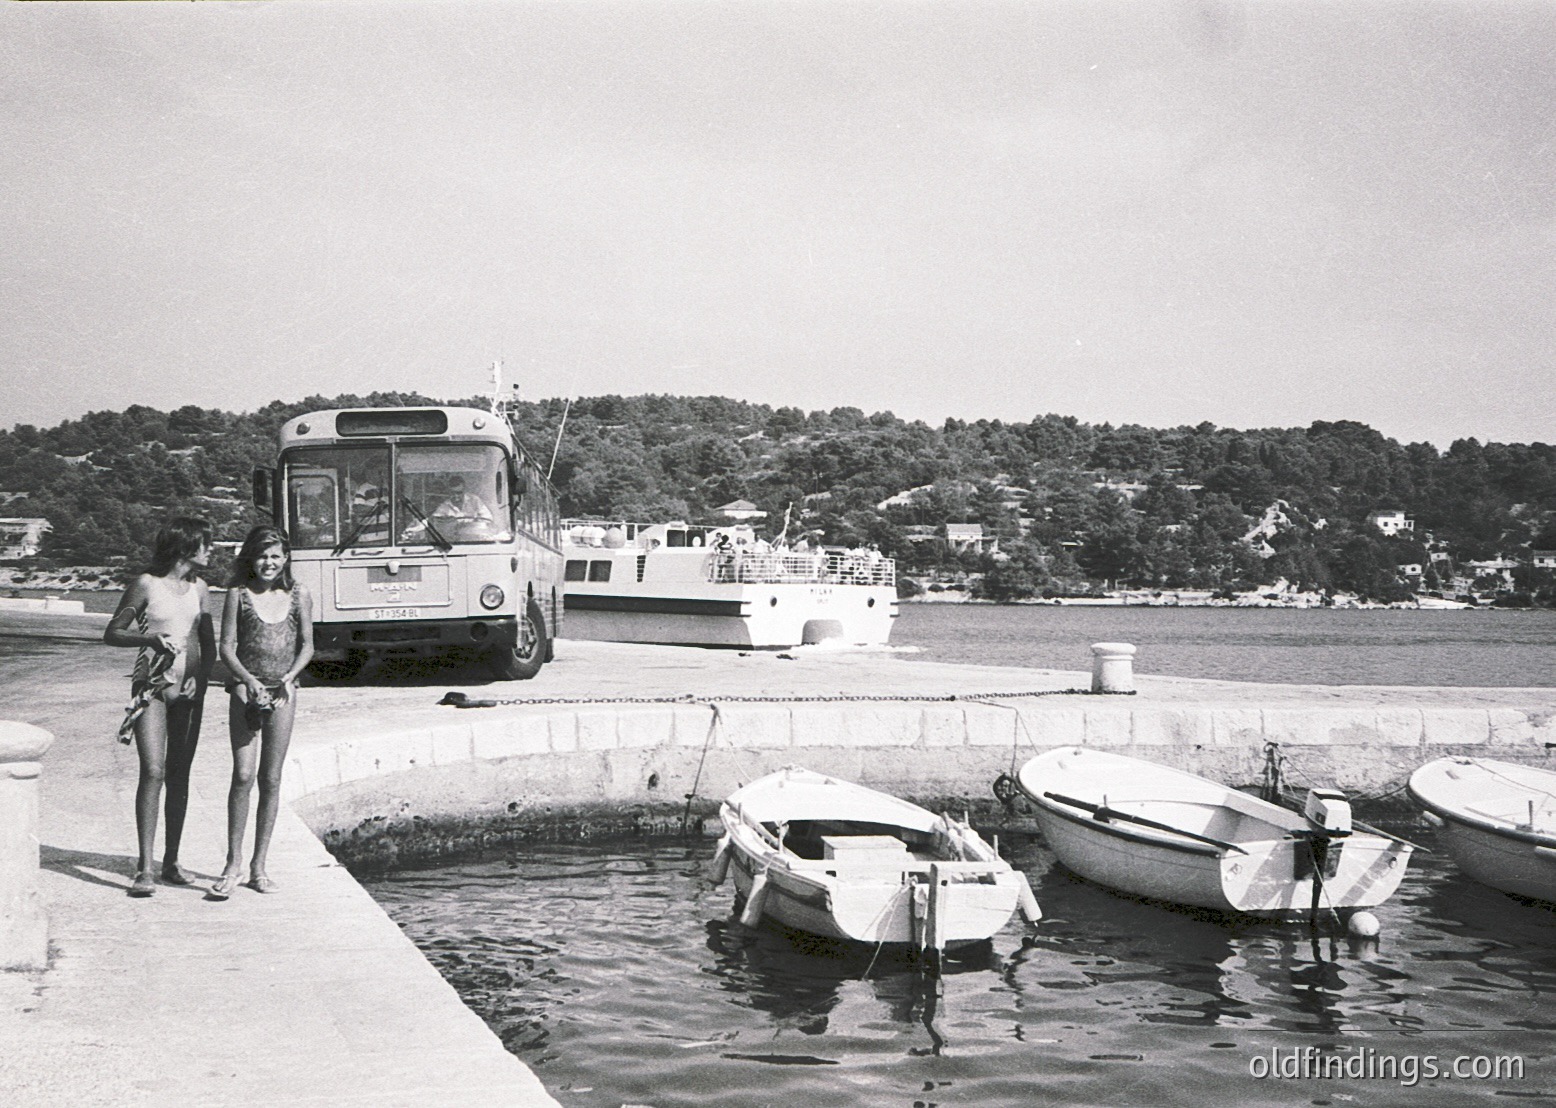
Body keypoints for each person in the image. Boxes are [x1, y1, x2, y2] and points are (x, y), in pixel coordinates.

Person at [104, 516, 215, 896]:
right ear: (186, 547)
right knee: (152, 771)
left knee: (178, 775)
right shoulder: (145, 584)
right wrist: (151, 639)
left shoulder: (201, 589)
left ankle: (171, 862)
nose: (210, 551)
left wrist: (199, 682)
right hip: (150, 688)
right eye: (205, 544)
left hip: (188, 692)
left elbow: (208, 644)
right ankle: (144, 868)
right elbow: (113, 633)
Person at [211, 525, 313, 898]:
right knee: (242, 775)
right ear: (250, 558)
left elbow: (307, 646)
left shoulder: (299, 594)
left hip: (284, 692)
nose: (268, 562)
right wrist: (248, 682)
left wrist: (288, 678)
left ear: (285, 558)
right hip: (244, 689)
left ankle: (259, 866)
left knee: (271, 779)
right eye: (262, 555)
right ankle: (232, 864)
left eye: (275, 555)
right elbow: (226, 648)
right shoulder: (238, 596)